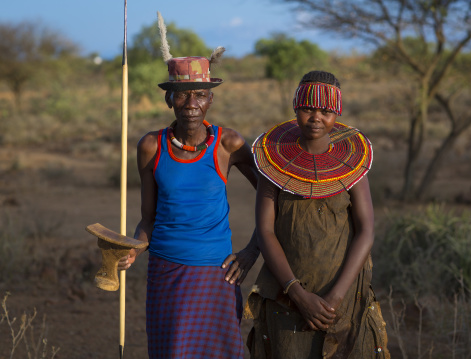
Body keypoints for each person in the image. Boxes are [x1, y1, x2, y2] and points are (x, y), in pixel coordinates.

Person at [117, 12, 259, 359]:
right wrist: (134, 248)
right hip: (167, 271)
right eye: (181, 95)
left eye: (199, 95)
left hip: (217, 273)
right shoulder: (151, 146)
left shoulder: (229, 144)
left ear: (211, 99)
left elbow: (272, 197)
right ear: (169, 99)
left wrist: (252, 250)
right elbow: (148, 218)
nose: (191, 104)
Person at [244, 70, 390, 358]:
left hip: (345, 299)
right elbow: (266, 231)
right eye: (308, 108)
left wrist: (335, 297)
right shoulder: (274, 162)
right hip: (287, 301)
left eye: (326, 111)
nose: (316, 117)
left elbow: (366, 231)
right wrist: (297, 293)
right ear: (296, 107)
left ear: (337, 113)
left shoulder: (352, 162)